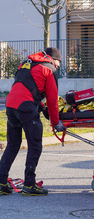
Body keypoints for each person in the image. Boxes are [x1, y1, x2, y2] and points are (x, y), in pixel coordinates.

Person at [0, 47, 65, 196]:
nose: (59, 65)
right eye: (58, 61)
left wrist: (39, 105)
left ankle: (1, 182)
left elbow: (25, 86)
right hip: (25, 108)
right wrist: (56, 122)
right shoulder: (49, 69)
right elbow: (53, 99)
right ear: (52, 59)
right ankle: (29, 185)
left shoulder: (26, 63)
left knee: (12, 145)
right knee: (35, 146)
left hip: (11, 105)